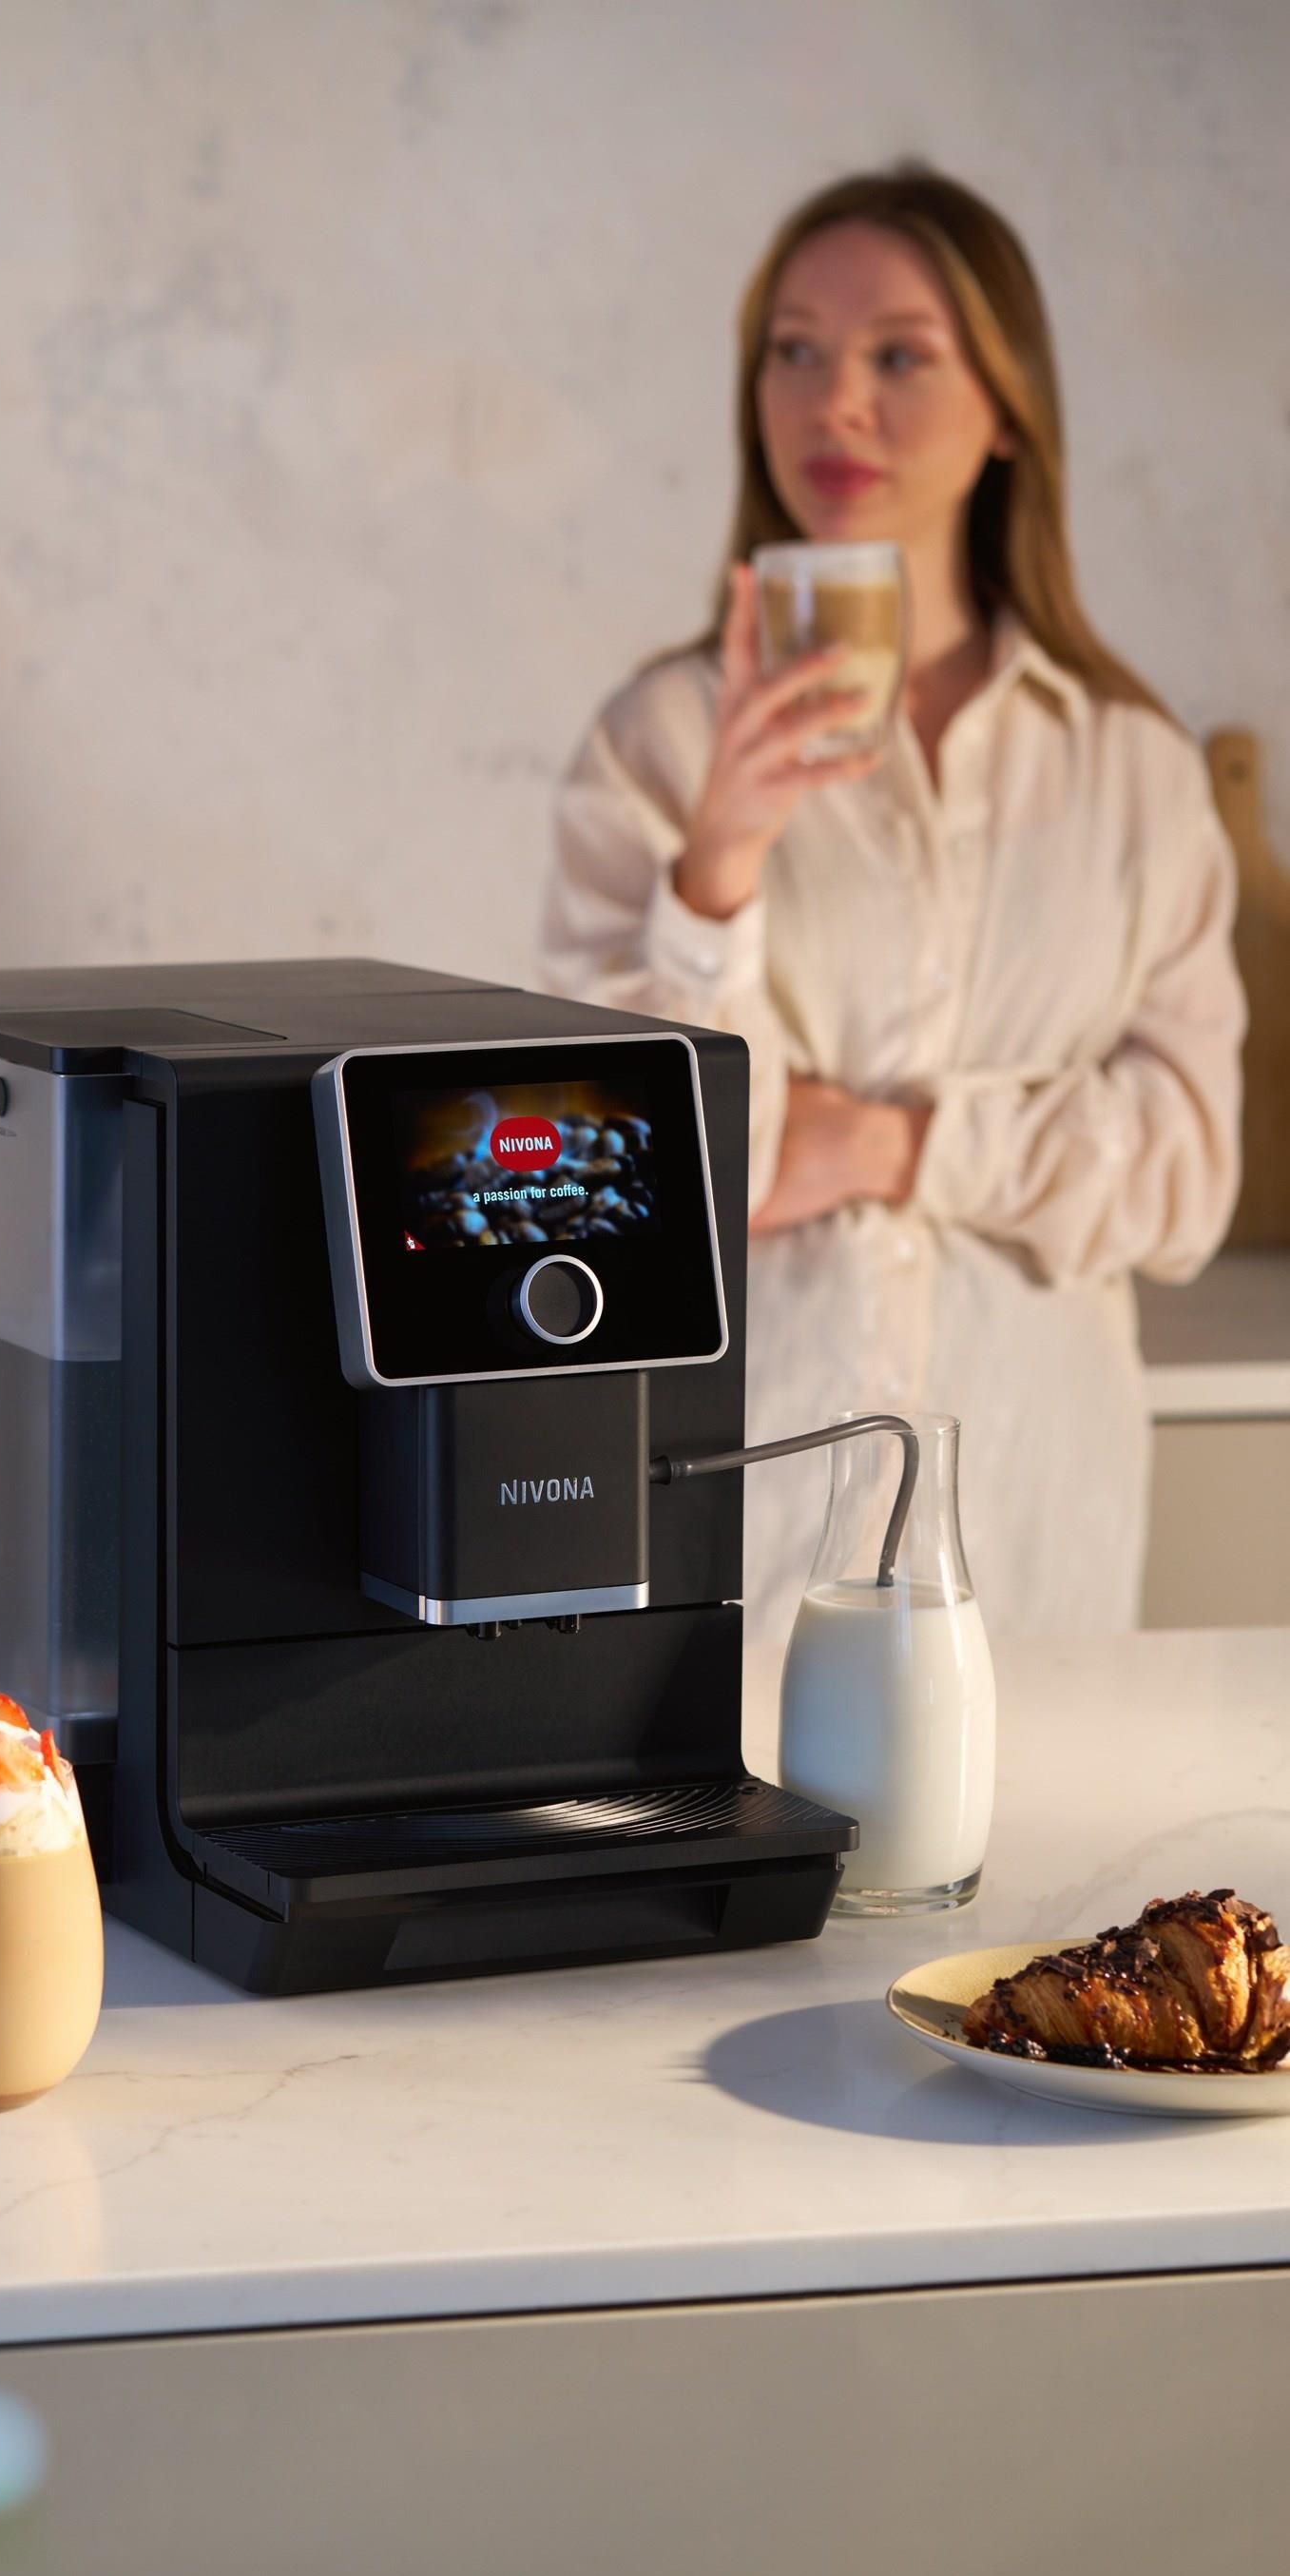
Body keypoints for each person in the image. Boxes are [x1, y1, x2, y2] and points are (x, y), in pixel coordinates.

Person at [541, 163, 1243, 1643]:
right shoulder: (654, 748)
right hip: (734, 1546)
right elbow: (615, 1197)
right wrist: (717, 870)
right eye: (794, 351)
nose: (835, 403)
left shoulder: (1134, 772)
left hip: (1037, 1548)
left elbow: (1185, 1180)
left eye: (899, 356)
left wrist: (893, 1144)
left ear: (1009, 410)